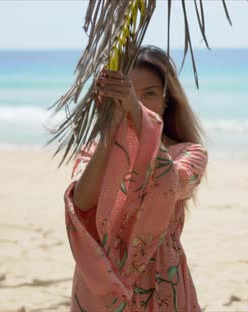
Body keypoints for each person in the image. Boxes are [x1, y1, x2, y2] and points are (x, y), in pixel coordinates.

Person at [64, 45, 208, 312]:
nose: (138, 102)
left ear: (168, 99)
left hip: (160, 275)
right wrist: (111, 129)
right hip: (102, 274)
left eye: (150, 94)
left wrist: (138, 115)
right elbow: (81, 202)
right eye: (128, 91)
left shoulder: (189, 152)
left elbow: (172, 184)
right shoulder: (95, 150)